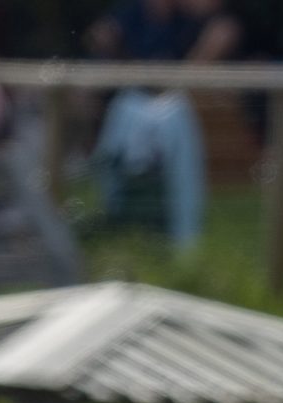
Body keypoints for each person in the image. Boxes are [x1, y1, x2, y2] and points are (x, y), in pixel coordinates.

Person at [86, 0, 242, 253]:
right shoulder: (132, 15)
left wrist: (181, 73)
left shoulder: (190, 18)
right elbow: (99, 35)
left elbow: (224, 30)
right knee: (124, 112)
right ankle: (115, 211)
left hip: (182, 103)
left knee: (174, 117)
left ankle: (184, 235)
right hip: (136, 100)